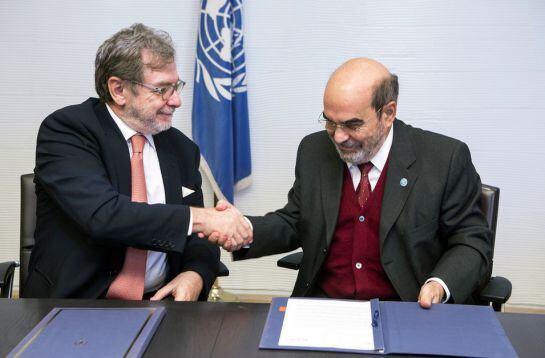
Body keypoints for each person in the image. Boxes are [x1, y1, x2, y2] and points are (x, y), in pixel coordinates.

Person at [226, 58, 492, 307]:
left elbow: (471, 241)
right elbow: (295, 222)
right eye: (330, 122)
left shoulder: (443, 159)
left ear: (388, 113)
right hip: (323, 310)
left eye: (352, 125)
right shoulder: (314, 150)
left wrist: (439, 284)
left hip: (405, 310)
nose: (339, 137)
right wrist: (243, 230)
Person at [26, 23, 252, 301]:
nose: (177, 100)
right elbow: (104, 216)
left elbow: (198, 239)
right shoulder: (67, 131)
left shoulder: (181, 148)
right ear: (119, 89)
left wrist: (195, 274)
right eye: (162, 89)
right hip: (75, 303)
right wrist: (202, 218)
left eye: (176, 86)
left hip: (159, 304)